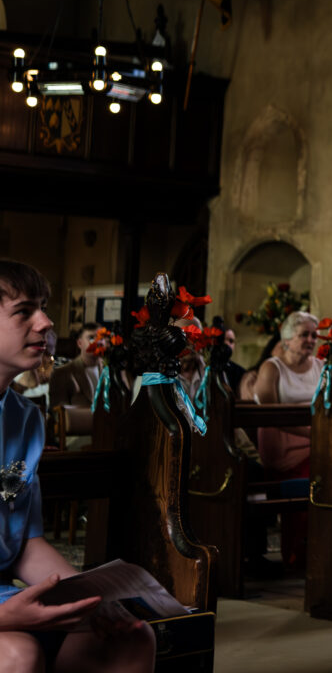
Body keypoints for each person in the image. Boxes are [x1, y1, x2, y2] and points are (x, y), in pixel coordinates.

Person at [0, 260, 156, 672]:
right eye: (24, 311)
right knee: (17, 653)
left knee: (128, 635)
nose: (47, 322)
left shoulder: (25, 418)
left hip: (6, 595)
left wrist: (93, 598)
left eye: (44, 308)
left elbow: (25, 544)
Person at [252, 310, 322, 476]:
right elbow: (269, 415)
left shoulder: (321, 366)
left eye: (314, 336)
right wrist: (314, 433)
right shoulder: (271, 368)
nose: (311, 340)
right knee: (327, 467)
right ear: (287, 340)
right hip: (283, 442)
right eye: (304, 335)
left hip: (317, 436)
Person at [48, 323, 103, 408]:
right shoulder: (62, 374)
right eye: (91, 338)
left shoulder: (111, 371)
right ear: (80, 343)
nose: (97, 342)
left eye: (100, 337)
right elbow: (59, 415)